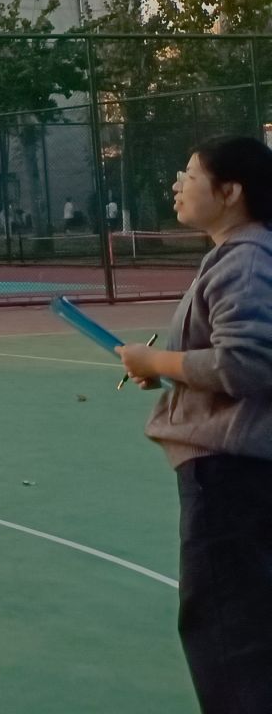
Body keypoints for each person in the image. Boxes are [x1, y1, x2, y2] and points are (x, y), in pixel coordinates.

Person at [117, 136, 272, 712]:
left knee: (229, 628)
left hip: (230, 469)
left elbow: (246, 362)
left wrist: (158, 362)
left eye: (190, 174)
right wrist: (171, 372)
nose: (177, 184)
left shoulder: (246, 259)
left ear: (230, 191)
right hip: (241, 464)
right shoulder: (243, 254)